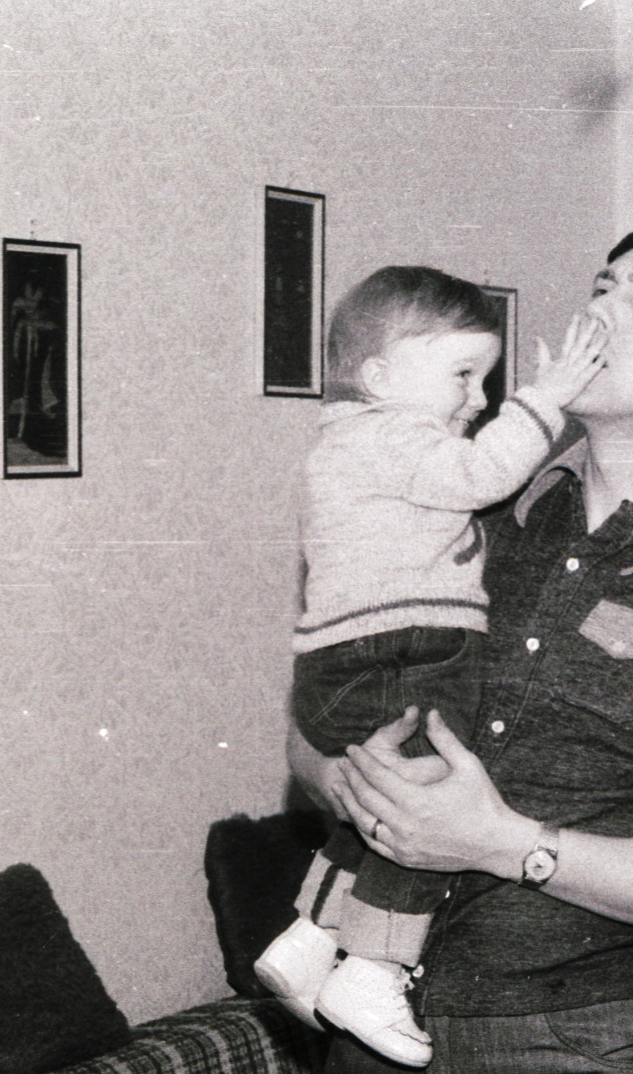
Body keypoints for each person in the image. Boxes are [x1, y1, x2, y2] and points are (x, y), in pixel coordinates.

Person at [287, 224, 633, 1074]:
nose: (603, 309)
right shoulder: (458, 515)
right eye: (602, 285)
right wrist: (358, 789)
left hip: (573, 1037)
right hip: (368, 1021)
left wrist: (502, 843)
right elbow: (314, 725)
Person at [255, 265, 607, 1067]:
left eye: (485, 380)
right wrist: (544, 398)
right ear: (379, 376)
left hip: (351, 660)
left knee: (389, 799)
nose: (479, 399)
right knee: (434, 805)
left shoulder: (349, 441)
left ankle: (313, 936)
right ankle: (375, 966)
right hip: (402, 652)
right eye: (462, 375)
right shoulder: (389, 434)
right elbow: (481, 475)